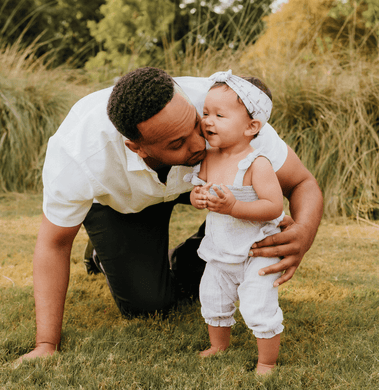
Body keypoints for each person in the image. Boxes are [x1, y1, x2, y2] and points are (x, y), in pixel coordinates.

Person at [19, 67, 323, 362]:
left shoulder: (227, 108)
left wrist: (304, 232)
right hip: (121, 203)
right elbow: (54, 243)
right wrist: (46, 343)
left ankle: (194, 256)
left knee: (239, 211)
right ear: (136, 147)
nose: (199, 143)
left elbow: (301, 183)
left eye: (195, 123)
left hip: (205, 191)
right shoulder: (79, 154)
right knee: (148, 303)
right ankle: (102, 250)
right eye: (177, 143)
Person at [186, 71, 285, 375]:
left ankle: (266, 362)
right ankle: (218, 345)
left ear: (251, 127)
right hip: (220, 248)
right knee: (213, 298)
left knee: (258, 305)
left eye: (219, 115)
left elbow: (273, 206)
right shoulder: (208, 157)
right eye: (205, 113)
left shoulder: (258, 164)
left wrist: (234, 206)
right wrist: (198, 197)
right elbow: (195, 189)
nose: (208, 121)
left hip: (256, 251)